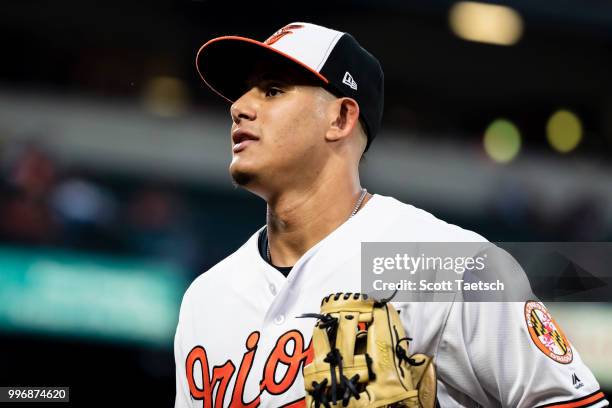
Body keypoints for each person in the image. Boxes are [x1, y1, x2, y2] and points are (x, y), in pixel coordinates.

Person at [174, 22, 608, 407]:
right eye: (242, 93)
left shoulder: (445, 263)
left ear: (341, 118)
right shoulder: (205, 298)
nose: (240, 107)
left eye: (272, 90)